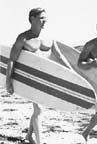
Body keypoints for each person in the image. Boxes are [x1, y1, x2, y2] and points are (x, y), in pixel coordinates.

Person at [5, 7, 70, 144]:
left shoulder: (49, 38)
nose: (44, 20)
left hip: (44, 78)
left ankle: (29, 135)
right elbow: (12, 59)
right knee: (39, 108)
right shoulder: (23, 38)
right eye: (41, 18)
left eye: (45, 18)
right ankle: (39, 142)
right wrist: (8, 82)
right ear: (32, 19)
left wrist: (71, 72)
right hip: (30, 78)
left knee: (38, 108)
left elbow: (59, 56)